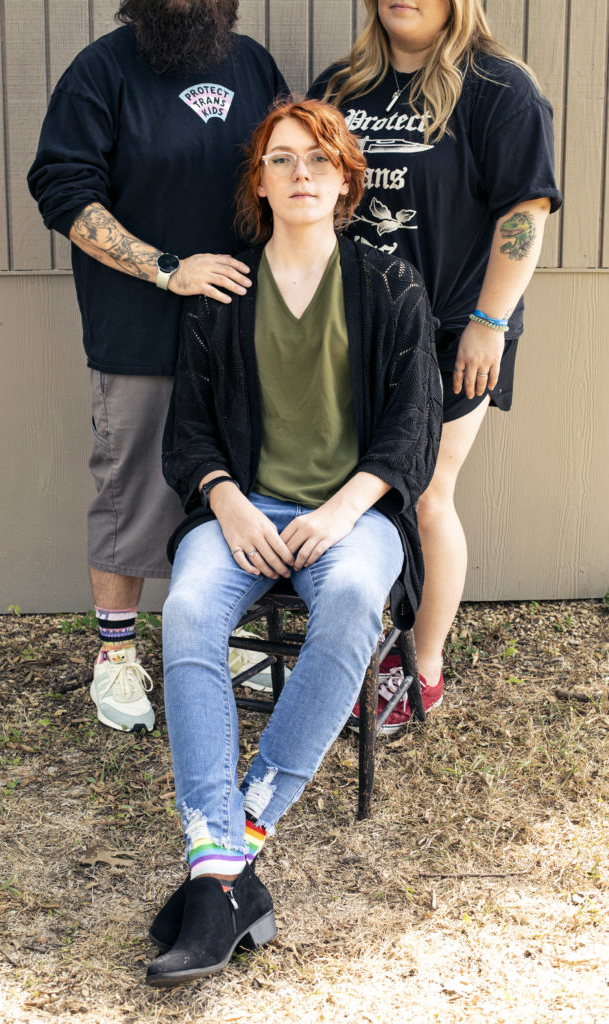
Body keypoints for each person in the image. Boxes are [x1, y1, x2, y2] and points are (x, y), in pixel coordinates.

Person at [144, 98, 442, 987]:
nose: (301, 172)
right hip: (242, 508)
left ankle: (232, 849)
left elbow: (412, 429)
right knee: (190, 609)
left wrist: (341, 511)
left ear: (346, 178)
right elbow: (188, 431)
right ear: (259, 181)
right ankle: (220, 868)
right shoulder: (225, 290)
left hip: (354, 517)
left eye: (318, 158)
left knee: (352, 601)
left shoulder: (390, 282)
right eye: (282, 159)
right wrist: (229, 504)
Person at [27, 0, 287, 733]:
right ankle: (115, 659)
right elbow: (64, 191)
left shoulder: (253, 65)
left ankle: (232, 639)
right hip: (139, 329)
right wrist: (167, 269)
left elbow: (290, 169)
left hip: (245, 329)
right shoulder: (101, 72)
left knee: (241, 487)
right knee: (132, 493)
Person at [308, 0, 562, 733]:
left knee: (423, 494)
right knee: (351, 488)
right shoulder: (341, 85)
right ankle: (357, 642)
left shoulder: (497, 86)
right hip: (352, 327)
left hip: (455, 327)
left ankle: (420, 666)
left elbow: (526, 211)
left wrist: (489, 322)